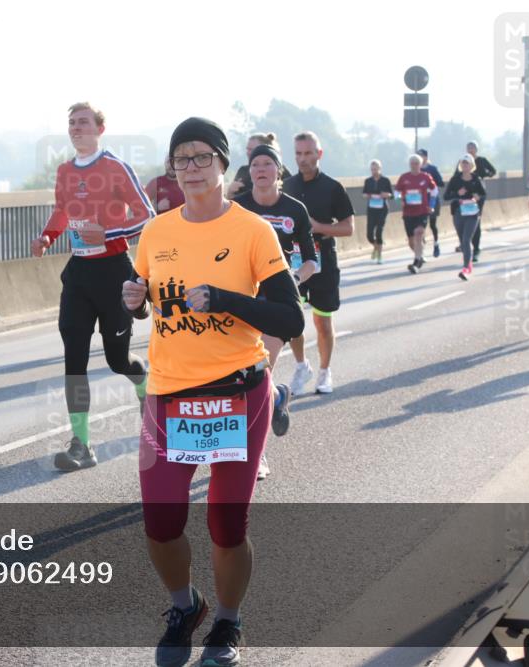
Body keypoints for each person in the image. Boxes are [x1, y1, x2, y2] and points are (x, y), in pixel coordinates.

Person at [122, 117, 304, 667]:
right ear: (172, 168)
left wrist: (226, 299)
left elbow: (289, 316)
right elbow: (151, 300)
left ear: (225, 165)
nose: (193, 168)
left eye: (204, 157)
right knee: (160, 522)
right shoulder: (156, 232)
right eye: (182, 158)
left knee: (226, 524)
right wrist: (135, 301)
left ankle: (227, 622)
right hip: (170, 395)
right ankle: (186, 606)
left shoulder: (253, 231)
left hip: (237, 394)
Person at [31, 102, 154, 472]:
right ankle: (81, 444)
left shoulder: (116, 167)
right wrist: (47, 237)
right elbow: (62, 211)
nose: (76, 128)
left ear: (100, 128)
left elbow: (146, 215)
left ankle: (144, 385)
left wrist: (109, 233)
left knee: (118, 360)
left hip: (114, 273)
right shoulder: (65, 171)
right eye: (71, 123)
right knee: (74, 359)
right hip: (79, 275)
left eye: (83, 122)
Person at [233, 143, 317, 480]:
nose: (261, 169)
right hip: (241, 301)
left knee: (257, 373)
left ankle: (258, 454)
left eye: (267, 163)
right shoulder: (237, 207)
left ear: (278, 171)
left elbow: (311, 260)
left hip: (278, 303)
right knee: (239, 377)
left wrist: (291, 280)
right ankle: (279, 394)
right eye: (255, 164)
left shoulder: (295, 209)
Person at [283, 131, 354, 396]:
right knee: (292, 320)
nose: (303, 159)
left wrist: (319, 227)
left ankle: (324, 372)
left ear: (319, 154)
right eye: (298, 153)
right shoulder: (286, 187)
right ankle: (302, 366)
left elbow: (348, 228)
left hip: (323, 262)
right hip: (294, 264)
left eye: (308, 153)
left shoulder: (333, 187)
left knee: (323, 322)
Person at [444, 155, 487, 281]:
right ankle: (469, 264)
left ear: (472, 165)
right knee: (463, 242)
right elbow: (446, 196)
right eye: (463, 163)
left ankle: (466, 268)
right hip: (459, 213)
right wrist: (457, 194)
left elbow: (483, 194)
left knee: (466, 239)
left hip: (473, 213)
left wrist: (478, 197)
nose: (465, 165)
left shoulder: (476, 179)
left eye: (467, 163)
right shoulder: (455, 179)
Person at [394, 154, 438, 275]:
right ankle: (420, 255)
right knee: (411, 241)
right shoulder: (404, 177)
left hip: (422, 211)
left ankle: (417, 262)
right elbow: (396, 192)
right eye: (412, 163)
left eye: (416, 163)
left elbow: (434, 190)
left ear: (420, 164)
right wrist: (400, 200)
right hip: (408, 212)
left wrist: (432, 205)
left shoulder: (426, 177)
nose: (414, 165)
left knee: (418, 233)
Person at [225, 132, 293, 198]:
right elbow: (233, 200)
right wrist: (230, 192)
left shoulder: (283, 173)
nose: (248, 153)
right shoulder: (243, 171)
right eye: (248, 149)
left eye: (252, 149)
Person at [460, 141, 497, 261]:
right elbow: (456, 176)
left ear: (476, 149)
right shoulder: (463, 161)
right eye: (468, 148)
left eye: (472, 148)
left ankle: (476, 249)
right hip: (465, 195)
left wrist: (485, 174)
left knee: (475, 220)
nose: (470, 150)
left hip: (478, 194)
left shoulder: (481, 160)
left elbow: (493, 171)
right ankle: (465, 243)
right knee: (464, 220)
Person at [362, 160, 393, 264]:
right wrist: (368, 196)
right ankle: (376, 247)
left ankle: (379, 255)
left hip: (382, 209)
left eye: (375, 169)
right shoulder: (368, 181)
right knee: (369, 235)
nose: (374, 171)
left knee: (379, 232)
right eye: (372, 169)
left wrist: (386, 195)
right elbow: (364, 194)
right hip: (371, 209)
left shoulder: (385, 180)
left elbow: (391, 195)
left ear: (380, 169)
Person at [417, 149, 446, 257]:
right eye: (417, 156)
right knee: (420, 225)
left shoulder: (432, 169)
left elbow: (441, 183)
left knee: (432, 224)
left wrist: (430, 183)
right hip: (420, 200)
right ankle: (421, 249)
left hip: (432, 199)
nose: (419, 158)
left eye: (421, 156)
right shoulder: (416, 170)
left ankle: (436, 244)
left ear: (426, 157)